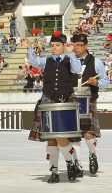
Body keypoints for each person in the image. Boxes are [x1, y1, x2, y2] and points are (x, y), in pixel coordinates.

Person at [25, 32, 84, 182]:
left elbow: (77, 69)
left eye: (57, 45)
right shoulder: (47, 60)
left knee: (61, 137)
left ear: (64, 46)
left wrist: (71, 54)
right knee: (50, 139)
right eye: (52, 45)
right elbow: (34, 62)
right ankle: (54, 171)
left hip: (66, 100)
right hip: (48, 100)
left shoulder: (70, 59)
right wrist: (30, 48)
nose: (54, 48)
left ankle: (70, 163)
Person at [69, 32, 107, 175]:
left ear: (86, 46)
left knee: (88, 134)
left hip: (88, 99)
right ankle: (77, 164)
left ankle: (92, 154)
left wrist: (96, 82)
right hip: (72, 99)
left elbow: (106, 82)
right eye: (74, 45)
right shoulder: (69, 60)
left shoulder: (96, 61)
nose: (76, 48)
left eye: (79, 45)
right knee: (75, 134)